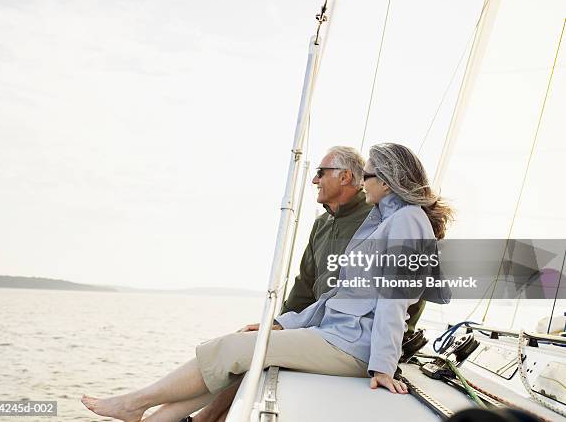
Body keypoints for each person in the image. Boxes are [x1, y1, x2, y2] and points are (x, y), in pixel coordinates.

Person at [81, 143, 451, 422]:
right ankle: (146, 416)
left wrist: (384, 366)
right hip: (337, 336)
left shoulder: (406, 220)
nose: (363, 184)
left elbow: (395, 300)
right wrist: (286, 322)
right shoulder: (385, 220)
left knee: (235, 349)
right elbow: (333, 297)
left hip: (353, 347)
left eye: (367, 176)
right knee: (242, 353)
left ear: (385, 182)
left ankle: (134, 402)